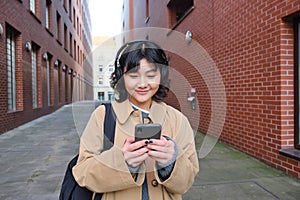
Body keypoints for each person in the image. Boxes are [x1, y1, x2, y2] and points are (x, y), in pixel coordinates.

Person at [72, 40, 199, 200]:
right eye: (133, 75)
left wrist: (171, 163)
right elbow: (82, 173)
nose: (142, 84)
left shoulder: (178, 120)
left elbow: (186, 182)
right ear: (121, 76)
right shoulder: (103, 115)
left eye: (151, 75)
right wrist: (123, 162)